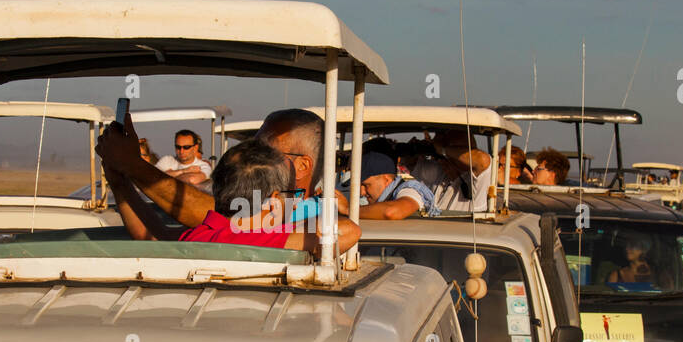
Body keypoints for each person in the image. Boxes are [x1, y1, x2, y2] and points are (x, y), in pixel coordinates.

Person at [96, 108, 356, 234]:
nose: (255, 157)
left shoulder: (311, 216)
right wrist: (119, 180)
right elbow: (160, 239)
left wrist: (132, 165)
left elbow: (208, 214)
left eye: (266, 151)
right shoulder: (265, 217)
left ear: (302, 166)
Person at [105, 134, 359, 253]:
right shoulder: (266, 240)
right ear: (273, 201)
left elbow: (152, 236)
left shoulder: (198, 236)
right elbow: (350, 231)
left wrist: (119, 182)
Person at [409, 128, 494, 213]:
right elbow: (409, 163)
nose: (440, 159)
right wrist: (414, 148)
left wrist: (443, 150)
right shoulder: (440, 172)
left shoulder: (477, 181)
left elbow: (483, 160)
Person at [358, 152, 439, 220]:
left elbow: (391, 212)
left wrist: (350, 211)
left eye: (366, 185)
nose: (361, 192)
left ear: (386, 180)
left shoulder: (409, 190)